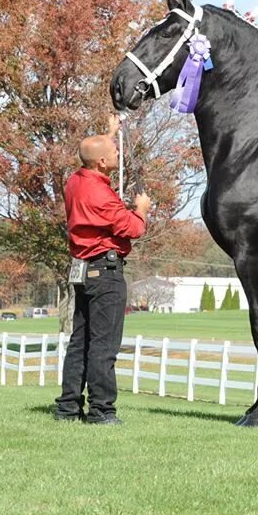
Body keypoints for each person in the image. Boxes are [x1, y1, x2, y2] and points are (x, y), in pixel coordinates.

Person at [54, 114, 151, 424]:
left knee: (79, 342)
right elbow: (132, 229)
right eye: (114, 151)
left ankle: (68, 407)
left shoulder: (75, 181)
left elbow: (91, 151)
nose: (118, 153)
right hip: (105, 273)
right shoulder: (101, 196)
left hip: (82, 271)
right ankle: (102, 411)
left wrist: (109, 133)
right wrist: (141, 210)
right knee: (104, 346)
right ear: (100, 163)